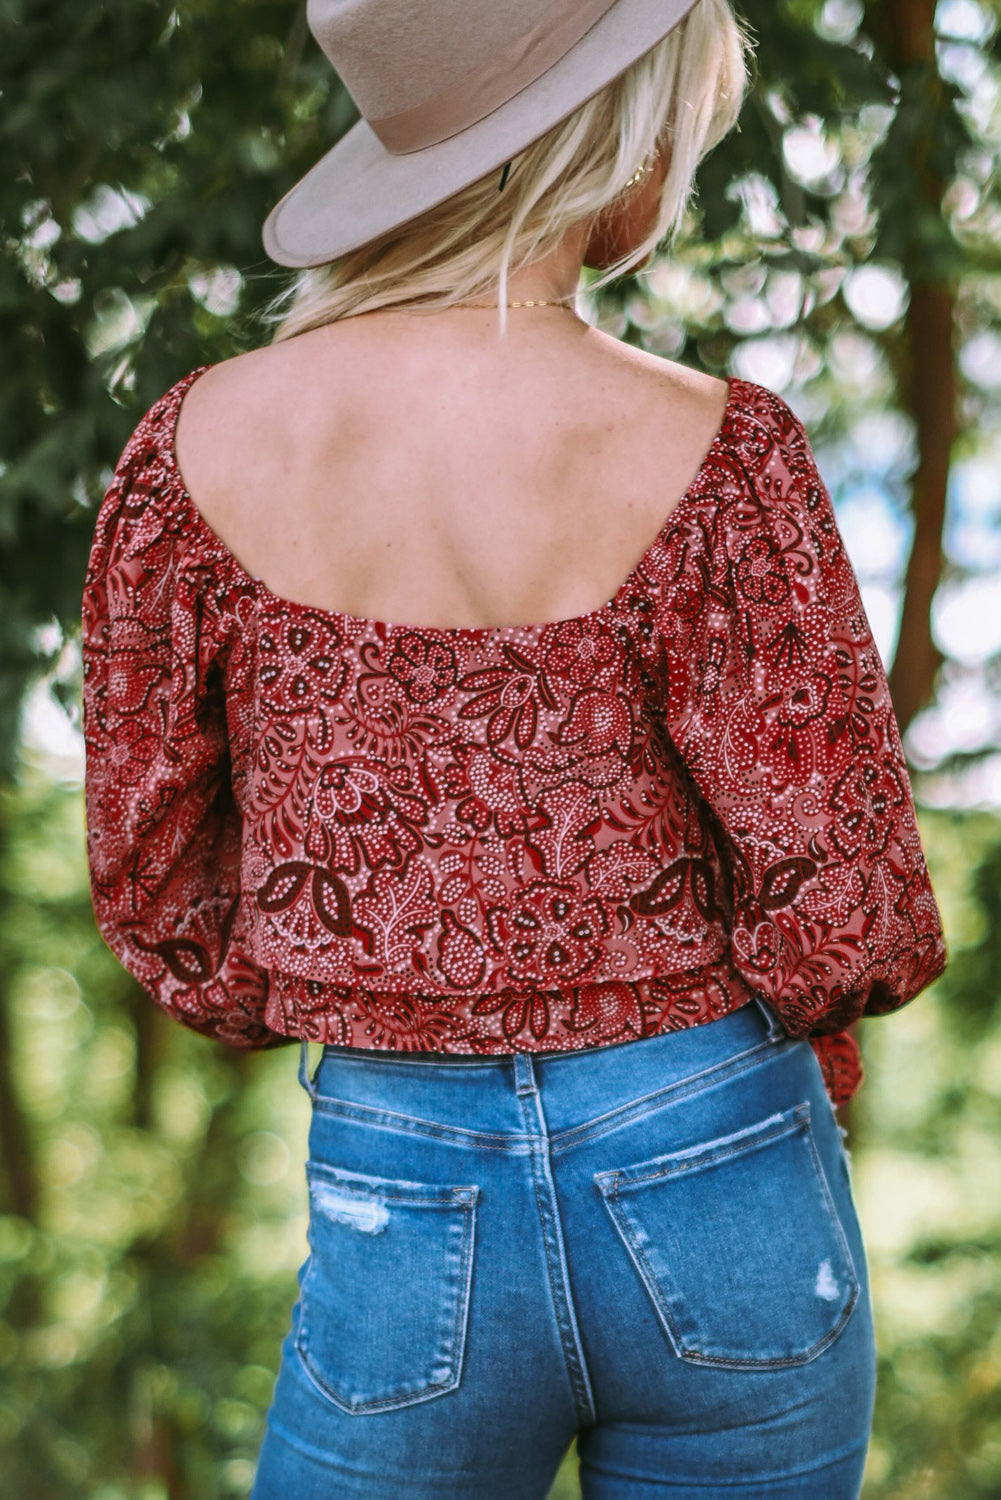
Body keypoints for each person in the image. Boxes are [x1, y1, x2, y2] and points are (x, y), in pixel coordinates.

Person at [81, 1, 949, 1495]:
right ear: (614, 134)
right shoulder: (718, 447)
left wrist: (371, 987)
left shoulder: (196, 449)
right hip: (715, 1140)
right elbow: (843, 893)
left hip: (396, 1162)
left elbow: (155, 872)